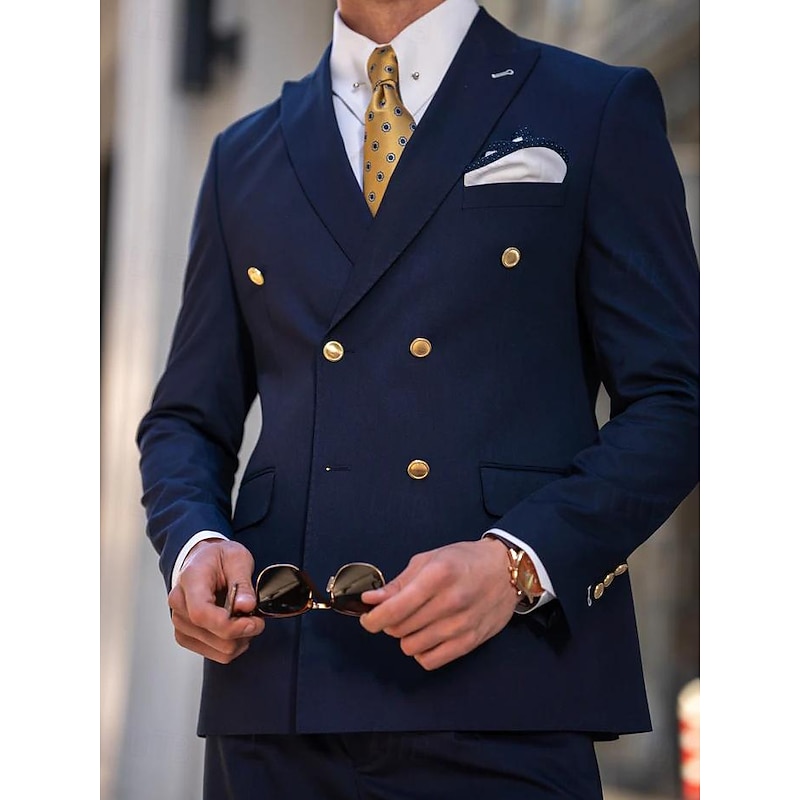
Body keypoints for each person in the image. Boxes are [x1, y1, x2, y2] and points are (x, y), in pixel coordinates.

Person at [136, 0, 700, 797]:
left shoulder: (594, 107)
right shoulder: (242, 154)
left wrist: (518, 564)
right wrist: (194, 544)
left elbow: (679, 400)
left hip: (504, 690)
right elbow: (185, 419)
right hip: (278, 693)